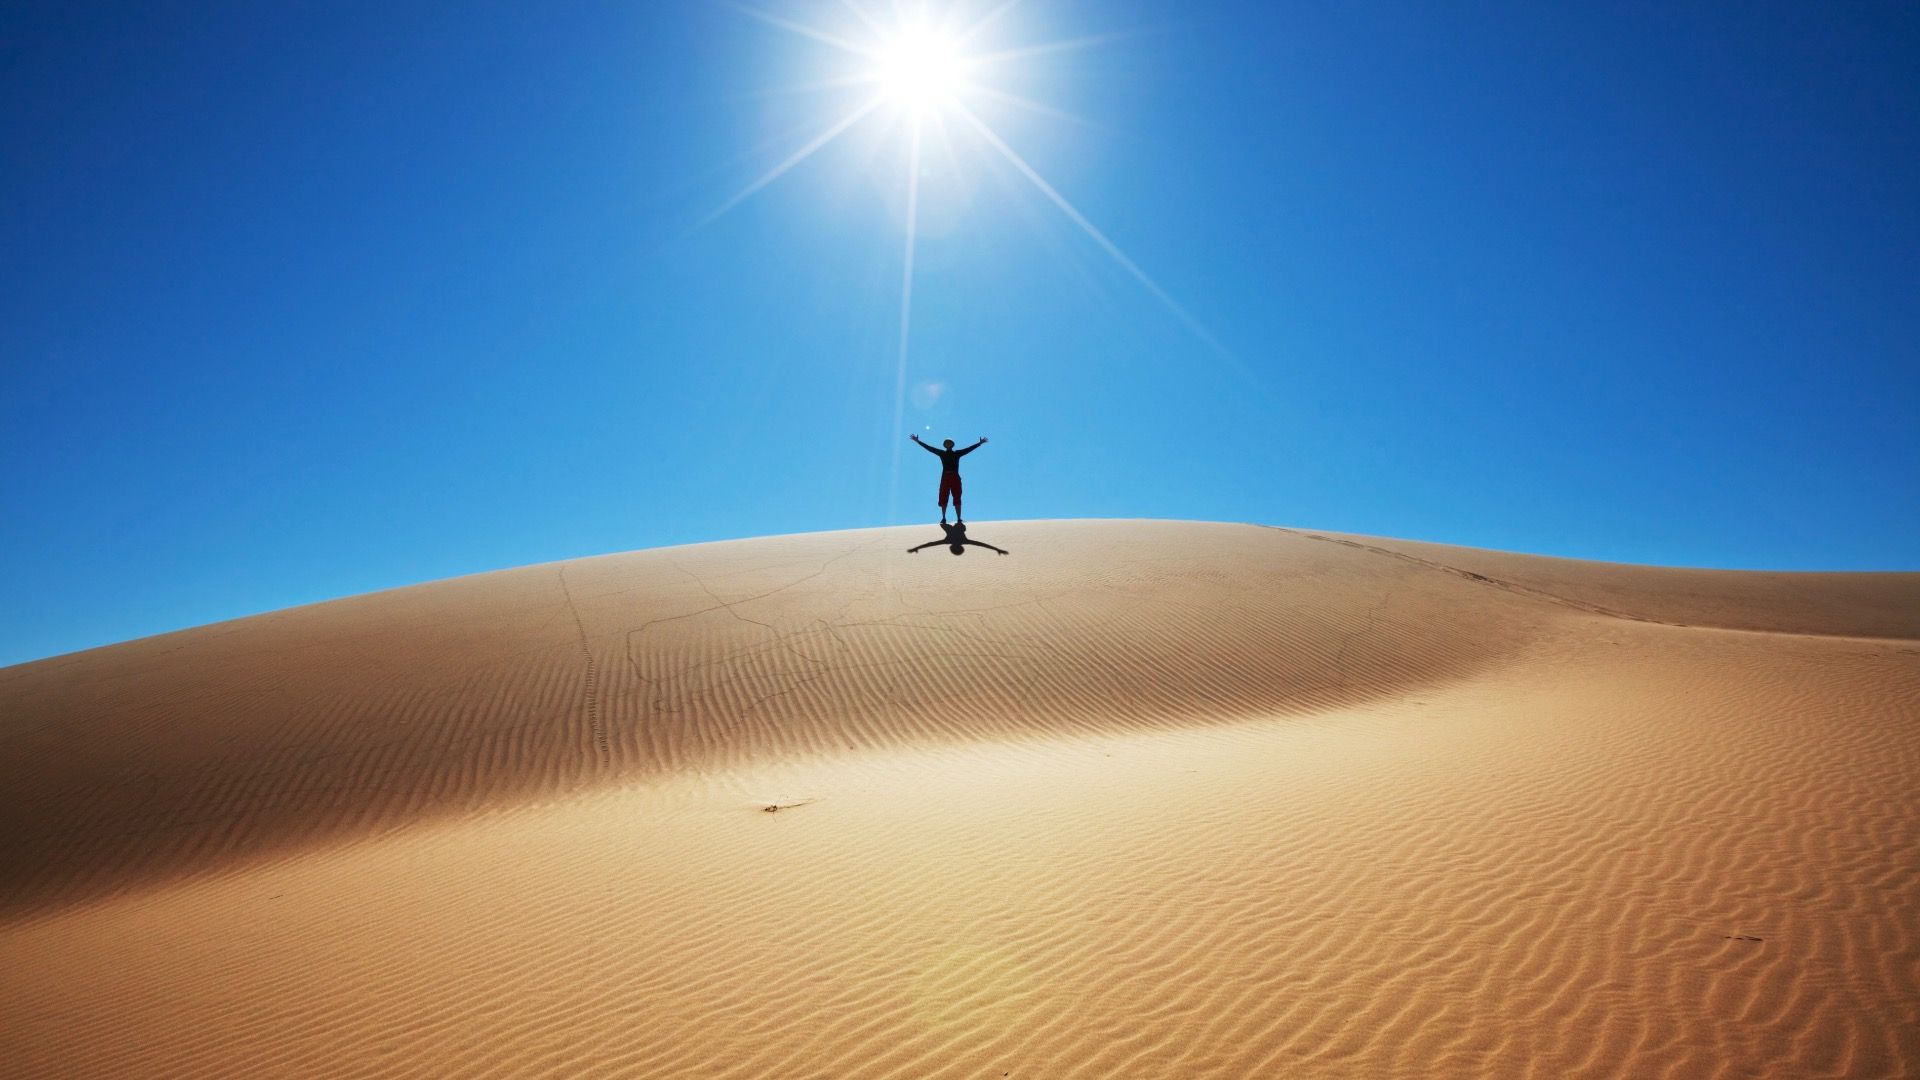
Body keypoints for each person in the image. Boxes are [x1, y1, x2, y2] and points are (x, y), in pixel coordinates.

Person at [910, 433, 987, 523]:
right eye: (946, 443)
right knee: (943, 496)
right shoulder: (942, 453)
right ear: (944, 445)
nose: (947, 444)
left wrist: (979, 443)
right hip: (945, 477)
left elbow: (968, 449)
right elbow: (930, 448)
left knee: (957, 496)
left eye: (949, 442)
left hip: (955, 477)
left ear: (952, 444)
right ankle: (943, 518)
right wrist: (918, 441)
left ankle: (959, 518)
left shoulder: (957, 453)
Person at [908, 521, 1008, 556]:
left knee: (946, 523)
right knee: (947, 523)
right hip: (956, 525)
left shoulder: (961, 541)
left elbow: (931, 544)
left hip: (953, 525)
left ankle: (954, 520)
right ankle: (955, 520)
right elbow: (981, 544)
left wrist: (997, 549)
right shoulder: (953, 541)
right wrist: (996, 549)